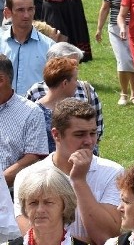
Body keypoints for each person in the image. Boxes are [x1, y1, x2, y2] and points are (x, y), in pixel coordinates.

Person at [13, 99, 122, 245]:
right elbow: (36, 239)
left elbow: (106, 238)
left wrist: (79, 181)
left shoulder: (113, 173)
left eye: (93, 133)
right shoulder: (28, 176)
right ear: (56, 135)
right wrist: (87, 243)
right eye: (80, 135)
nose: (89, 141)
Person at [25, 42, 106, 144]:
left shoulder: (87, 90)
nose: (75, 69)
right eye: (71, 64)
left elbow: (97, 129)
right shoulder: (36, 91)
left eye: (77, 64)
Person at [0, 54, 49, 188]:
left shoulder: (31, 112)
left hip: (12, 195)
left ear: (1, 80)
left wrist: (1, 184)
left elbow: (33, 157)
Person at [95, 0, 134, 107]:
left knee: (133, 60)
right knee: (123, 60)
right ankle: (124, 93)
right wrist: (99, 28)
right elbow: (105, 7)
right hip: (115, 27)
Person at [1, 0, 55, 95]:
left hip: (36, 109)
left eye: (30, 9)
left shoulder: (49, 47)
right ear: (8, 12)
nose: (26, 15)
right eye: (20, 10)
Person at [33, 57, 79, 152]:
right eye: (76, 79)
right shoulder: (35, 114)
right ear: (65, 83)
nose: (77, 84)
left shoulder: (77, 109)